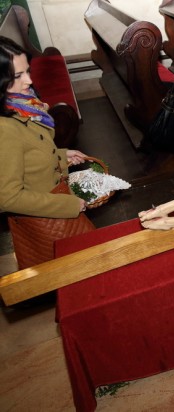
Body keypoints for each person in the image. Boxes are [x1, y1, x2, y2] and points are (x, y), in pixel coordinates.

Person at [0, 36, 92, 269]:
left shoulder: (20, 104)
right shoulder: (4, 128)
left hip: (54, 201)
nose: (29, 80)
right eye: (18, 76)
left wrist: (61, 155)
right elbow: (7, 197)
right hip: (46, 218)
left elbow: (28, 150)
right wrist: (68, 205)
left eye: (27, 71)